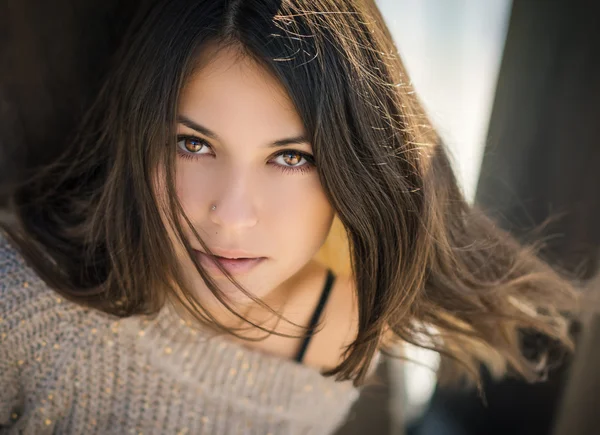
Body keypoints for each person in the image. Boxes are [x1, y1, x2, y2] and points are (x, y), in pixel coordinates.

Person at [0, 0, 579, 434]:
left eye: (290, 157)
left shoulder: (343, 324)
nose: (230, 216)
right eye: (193, 144)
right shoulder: (26, 311)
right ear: (138, 137)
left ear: (356, 173)